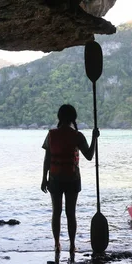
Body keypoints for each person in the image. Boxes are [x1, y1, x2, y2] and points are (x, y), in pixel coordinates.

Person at [41, 104, 99, 255]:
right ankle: (72, 245)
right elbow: (89, 155)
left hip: (54, 178)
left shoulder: (51, 135)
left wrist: (43, 179)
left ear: (59, 117)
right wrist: (94, 138)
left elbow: (47, 159)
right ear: (73, 118)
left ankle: (56, 244)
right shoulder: (77, 136)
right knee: (70, 213)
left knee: (56, 212)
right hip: (72, 178)